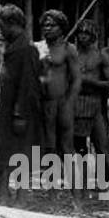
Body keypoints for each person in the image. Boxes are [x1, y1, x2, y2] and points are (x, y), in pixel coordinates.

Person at [0, 4, 42, 204]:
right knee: (0, 153)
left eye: (1, 26)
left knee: (21, 155)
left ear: (14, 24)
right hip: (4, 109)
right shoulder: (9, 48)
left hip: (19, 113)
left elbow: (28, 86)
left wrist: (20, 114)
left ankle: (21, 198)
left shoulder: (27, 50)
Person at [38, 10, 80, 160]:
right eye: (45, 25)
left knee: (66, 144)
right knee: (47, 145)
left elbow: (76, 79)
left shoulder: (68, 49)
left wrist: (69, 103)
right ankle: (51, 181)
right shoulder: (37, 47)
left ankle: (72, 181)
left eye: (52, 25)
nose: (47, 28)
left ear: (62, 28)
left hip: (62, 101)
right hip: (42, 103)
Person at [72, 19, 109, 156]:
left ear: (93, 35)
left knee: (102, 146)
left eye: (87, 33)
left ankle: (105, 177)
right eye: (80, 33)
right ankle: (80, 176)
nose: (83, 36)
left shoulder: (101, 56)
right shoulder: (70, 55)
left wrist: (90, 82)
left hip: (94, 104)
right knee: (78, 148)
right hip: (74, 105)